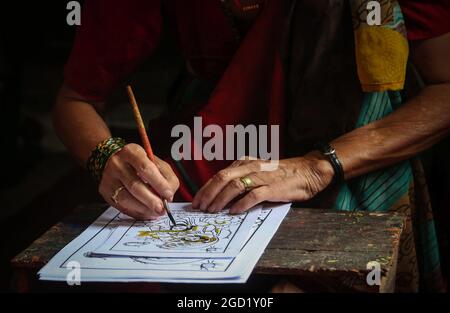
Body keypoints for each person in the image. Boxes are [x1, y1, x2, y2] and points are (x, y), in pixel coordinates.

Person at [52, 0, 450, 292]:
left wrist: (317, 167)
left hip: (357, 145)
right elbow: (75, 101)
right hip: (218, 135)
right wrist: (107, 156)